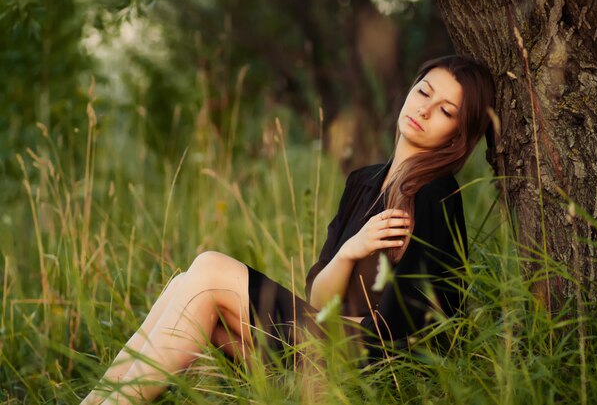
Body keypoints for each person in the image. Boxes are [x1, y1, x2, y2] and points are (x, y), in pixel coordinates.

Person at [81, 54, 496, 404]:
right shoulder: (364, 182)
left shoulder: (435, 194)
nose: (424, 110)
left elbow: (401, 335)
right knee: (184, 285)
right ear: (410, 91)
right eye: (424, 92)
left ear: (458, 135)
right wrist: (351, 249)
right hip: (325, 349)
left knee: (207, 272)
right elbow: (319, 294)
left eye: (445, 111)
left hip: (365, 376)